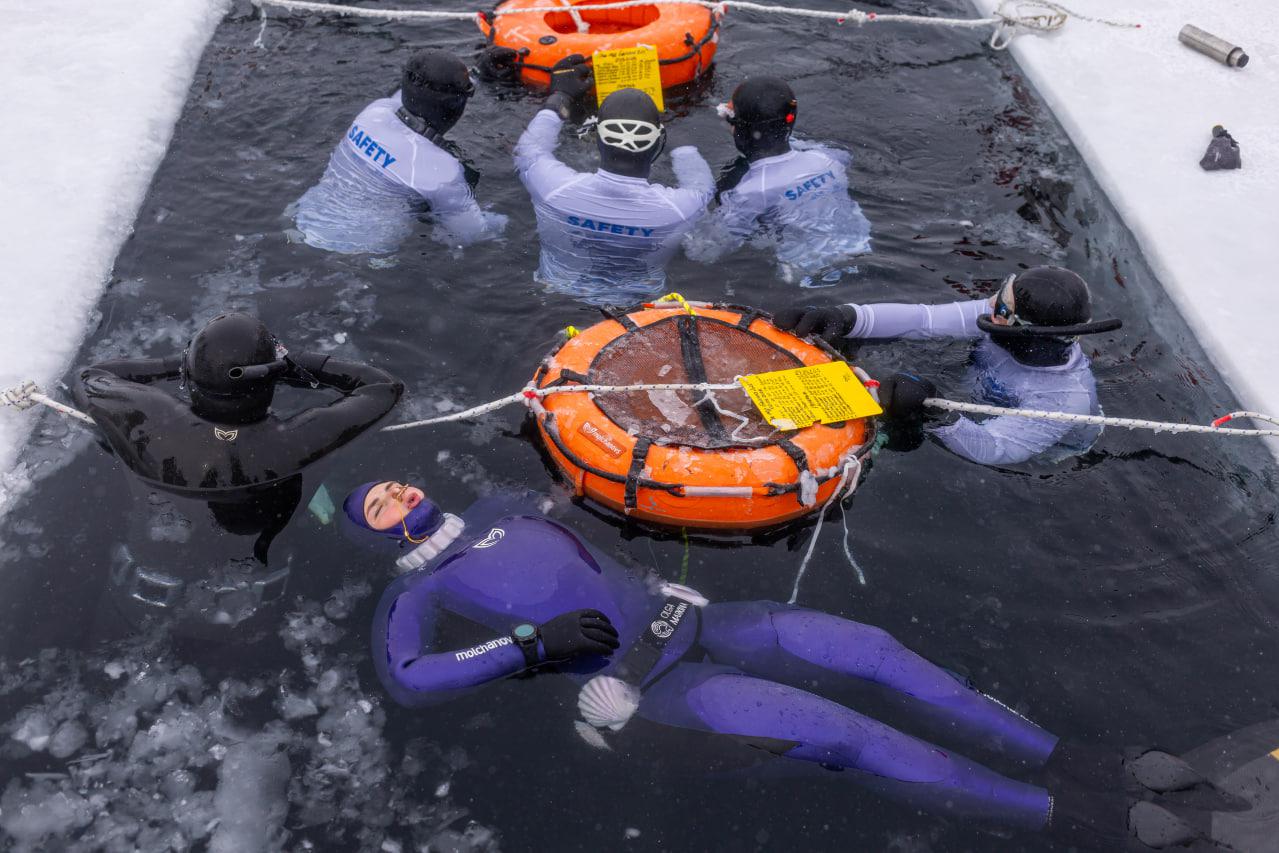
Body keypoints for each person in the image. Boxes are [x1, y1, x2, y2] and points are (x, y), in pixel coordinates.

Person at [343, 478, 1218, 848]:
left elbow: (585, 495)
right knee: (841, 731)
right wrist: (531, 646)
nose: (394, 496)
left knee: (872, 649)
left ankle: (1067, 755)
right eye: (373, 505)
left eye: (392, 484)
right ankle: (1071, 816)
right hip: (655, 686)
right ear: (372, 534)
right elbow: (410, 681)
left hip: (703, 619)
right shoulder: (415, 594)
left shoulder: (500, 501)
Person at [72, 312, 403, 632]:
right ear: (269, 381)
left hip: (136, 604)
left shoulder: (151, 424)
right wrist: (290, 365)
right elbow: (382, 387)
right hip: (248, 614)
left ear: (191, 376)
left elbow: (91, 376)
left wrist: (179, 364)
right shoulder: (299, 442)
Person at [776, 266, 1122, 466]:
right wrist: (846, 317)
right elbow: (923, 319)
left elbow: (996, 448)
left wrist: (935, 413)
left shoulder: (1064, 399)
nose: (988, 308)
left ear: (1027, 331)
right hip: (986, 400)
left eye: (1001, 308)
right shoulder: (1002, 324)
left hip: (1044, 457)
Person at [510, 54, 714, 303]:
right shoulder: (681, 209)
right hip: (639, 308)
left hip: (556, 298)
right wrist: (682, 145)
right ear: (658, 141)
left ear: (597, 137)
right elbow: (703, 186)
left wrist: (559, 98)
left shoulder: (555, 190)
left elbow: (528, 151)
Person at [294, 50, 507, 254]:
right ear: (456, 108)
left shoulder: (375, 113)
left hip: (305, 220)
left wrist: (477, 74)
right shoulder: (442, 173)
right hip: (362, 252)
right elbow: (472, 234)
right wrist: (507, 222)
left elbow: (414, 93)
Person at [683, 76, 871, 287]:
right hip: (861, 255)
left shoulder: (751, 192)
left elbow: (702, 252)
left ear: (738, 129)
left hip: (805, 275)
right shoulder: (830, 159)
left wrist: (694, 182)